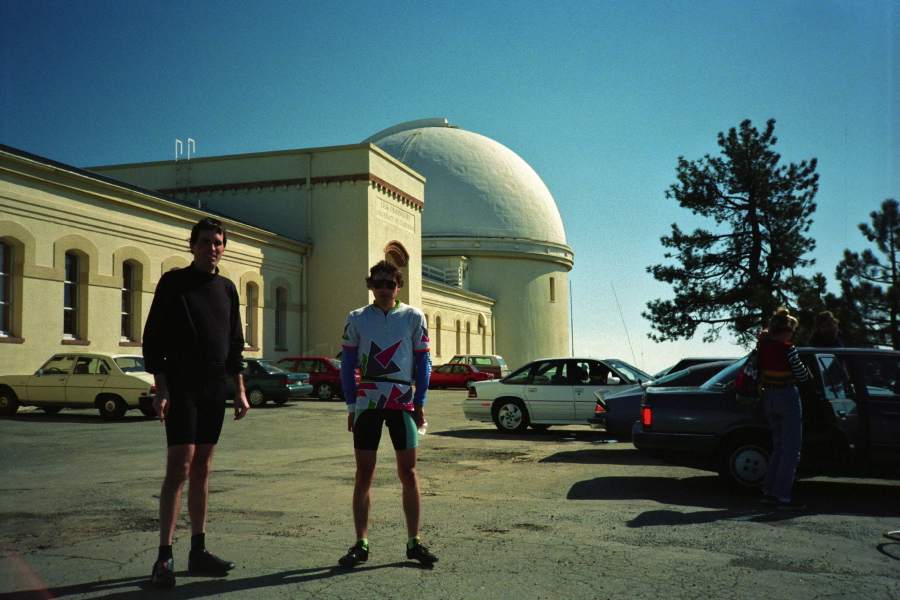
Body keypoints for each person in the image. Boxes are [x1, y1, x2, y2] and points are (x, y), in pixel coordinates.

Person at [143, 217, 250, 588]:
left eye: (218, 242)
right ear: (192, 245)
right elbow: (153, 339)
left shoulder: (227, 289)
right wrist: (162, 387)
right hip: (182, 384)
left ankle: (198, 550)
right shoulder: (174, 283)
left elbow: (235, 344)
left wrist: (238, 389)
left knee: (203, 467)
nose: (212, 248)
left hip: (213, 385)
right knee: (180, 466)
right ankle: (164, 557)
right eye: (205, 242)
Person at [338, 260, 438, 568]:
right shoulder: (356, 318)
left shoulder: (413, 316)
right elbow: (346, 366)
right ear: (370, 285)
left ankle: (414, 542)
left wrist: (420, 403)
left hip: (402, 400)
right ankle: (361, 543)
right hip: (368, 400)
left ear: (399, 287)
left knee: (408, 474)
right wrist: (352, 406)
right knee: (364, 473)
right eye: (378, 283)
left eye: (390, 284)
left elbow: (424, 364)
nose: (384, 289)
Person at [758, 308, 809, 510]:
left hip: (768, 396)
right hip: (786, 396)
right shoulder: (788, 348)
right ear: (786, 331)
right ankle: (783, 496)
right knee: (791, 450)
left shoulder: (763, 346)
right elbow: (802, 376)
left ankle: (769, 492)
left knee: (778, 447)